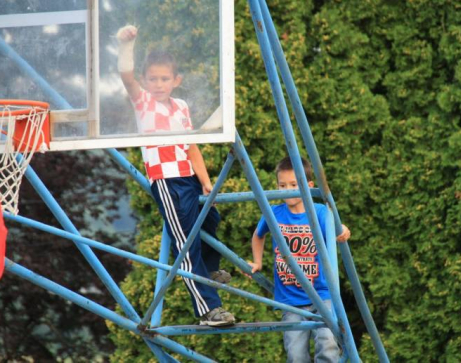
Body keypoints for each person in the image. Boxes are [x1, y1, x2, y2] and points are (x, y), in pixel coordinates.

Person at [116, 25, 234, 326]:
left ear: (176, 81)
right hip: (167, 183)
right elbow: (126, 77)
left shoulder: (181, 107)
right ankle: (208, 308)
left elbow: (190, 146)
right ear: (145, 81)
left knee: (211, 219)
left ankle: (209, 270)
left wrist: (206, 182)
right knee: (186, 243)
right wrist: (126, 45)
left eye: (164, 78)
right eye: (152, 79)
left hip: (189, 178)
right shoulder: (144, 104)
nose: (158, 84)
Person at [250, 156, 351, 362]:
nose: (288, 190)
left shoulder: (320, 212)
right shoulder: (274, 213)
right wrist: (257, 261)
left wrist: (343, 231)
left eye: (294, 185)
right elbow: (258, 235)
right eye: (283, 185)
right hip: (290, 298)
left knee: (327, 343)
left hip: (321, 294)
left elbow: (338, 231)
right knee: (295, 354)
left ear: (309, 186)